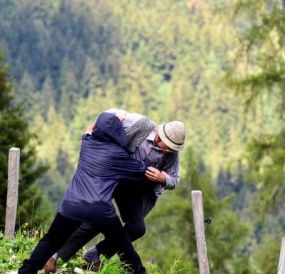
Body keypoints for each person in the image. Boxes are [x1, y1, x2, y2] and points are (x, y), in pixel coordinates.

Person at [43, 109, 186, 273]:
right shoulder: (141, 125)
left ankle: (95, 253)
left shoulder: (172, 153)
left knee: (137, 228)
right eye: (168, 147)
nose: (170, 152)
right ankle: (55, 256)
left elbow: (174, 180)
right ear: (160, 136)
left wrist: (162, 178)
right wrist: (90, 133)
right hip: (112, 176)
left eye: (173, 150)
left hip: (135, 190)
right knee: (93, 219)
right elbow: (109, 117)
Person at [19, 112, 148, 274]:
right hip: (99, 210)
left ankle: (26, 271)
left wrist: (107, 120)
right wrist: (163, 177)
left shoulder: (87, 142)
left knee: (51, 240)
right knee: (123, 245)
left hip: (71, 206)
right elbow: (143, 171)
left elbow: (90, 129)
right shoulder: (119, 156)